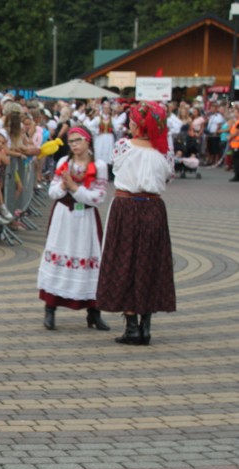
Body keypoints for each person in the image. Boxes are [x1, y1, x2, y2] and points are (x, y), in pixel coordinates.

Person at [97, 102, 175, 345]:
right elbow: (167, 177)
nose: (128, 123)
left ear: (138, 124)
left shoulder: (123, 146)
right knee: (149, 263)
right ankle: (145, 326)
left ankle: (132, 327)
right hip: (153, 209)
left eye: (131, 119)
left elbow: (117, 168)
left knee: (125, 261)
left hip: (126, 208)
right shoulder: (163, 152)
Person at [38, 126, 110, 331]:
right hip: (63, 217)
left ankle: (94, 312)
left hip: (85, 216)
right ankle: (50, 309)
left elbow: (98, 197)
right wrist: (63, 186)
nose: (75, 145)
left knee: (89, 258)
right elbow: (52, 192)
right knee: (59, 255)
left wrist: (75, 189)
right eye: (71, 142)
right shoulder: (64, 163)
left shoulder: (99, 166)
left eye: (78, 140)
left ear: (88, 140)